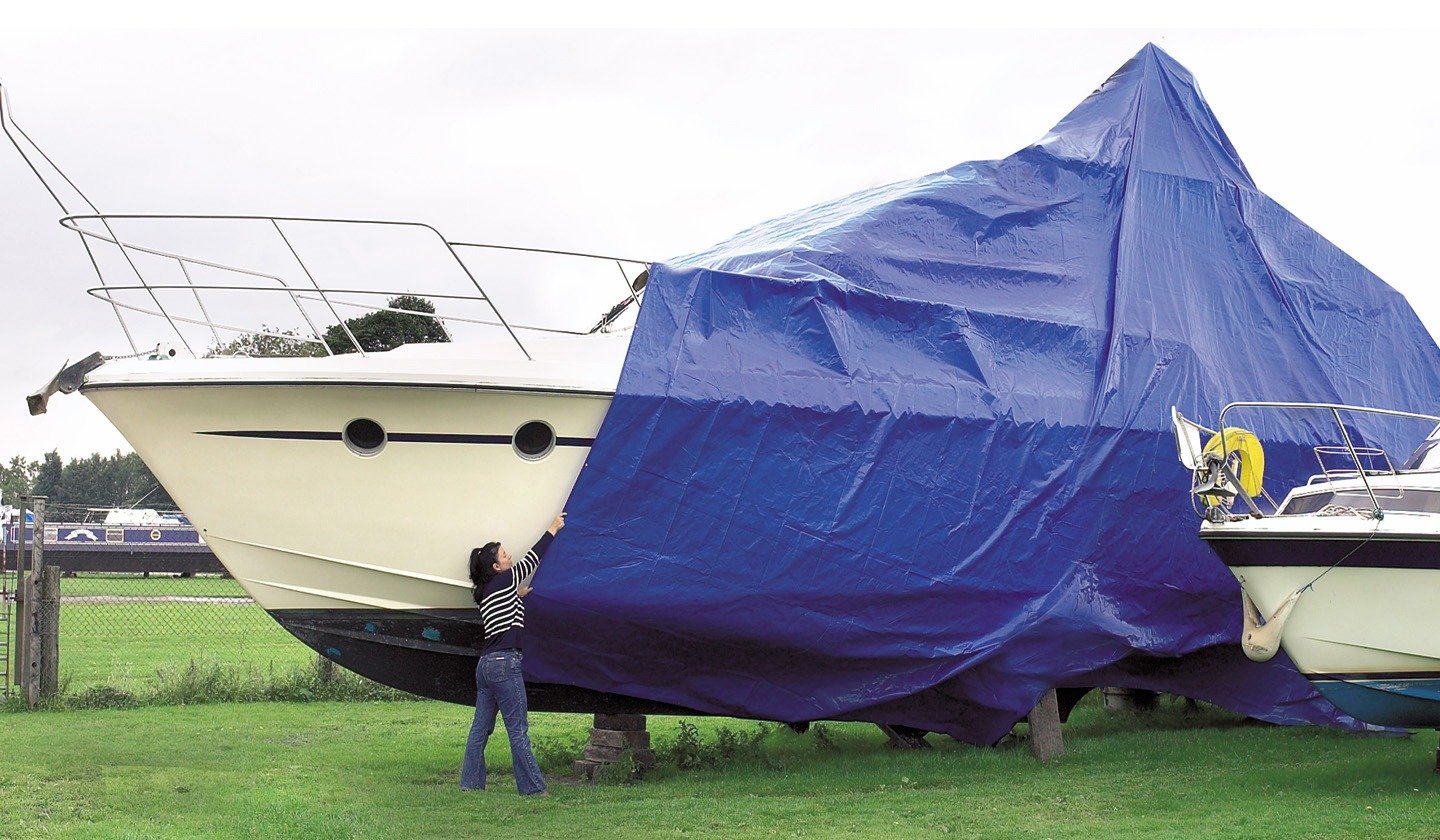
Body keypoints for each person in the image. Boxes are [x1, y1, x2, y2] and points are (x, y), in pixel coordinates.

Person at [459, 511, 565, 795]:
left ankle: (470, 784)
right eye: (505, 555)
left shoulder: (485, 593)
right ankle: (533, 789)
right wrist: (552, 529)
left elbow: (502, 609)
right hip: (505, 664)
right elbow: (533, 558)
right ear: (497, 566)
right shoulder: (505, 580)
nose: (510, 557)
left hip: (485, 667)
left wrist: (517, 596)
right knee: (518, 730)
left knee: (480, 730)